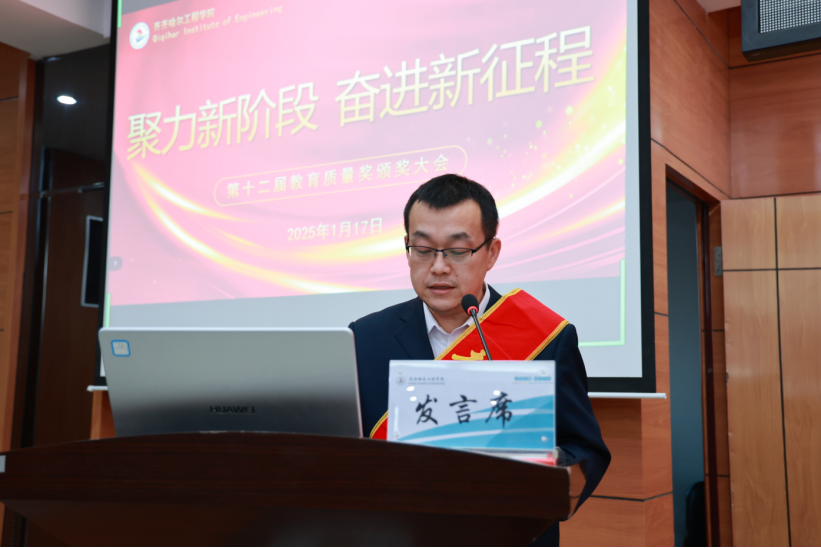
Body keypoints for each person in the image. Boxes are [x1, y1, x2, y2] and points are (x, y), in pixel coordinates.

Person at [349, 173, 610, 546]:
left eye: (458, 250)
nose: (439, 267)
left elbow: (586, 450)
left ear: (492, 252)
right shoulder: (365, 338)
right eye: (422, 249)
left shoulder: (547, 339)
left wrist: (542, 470)